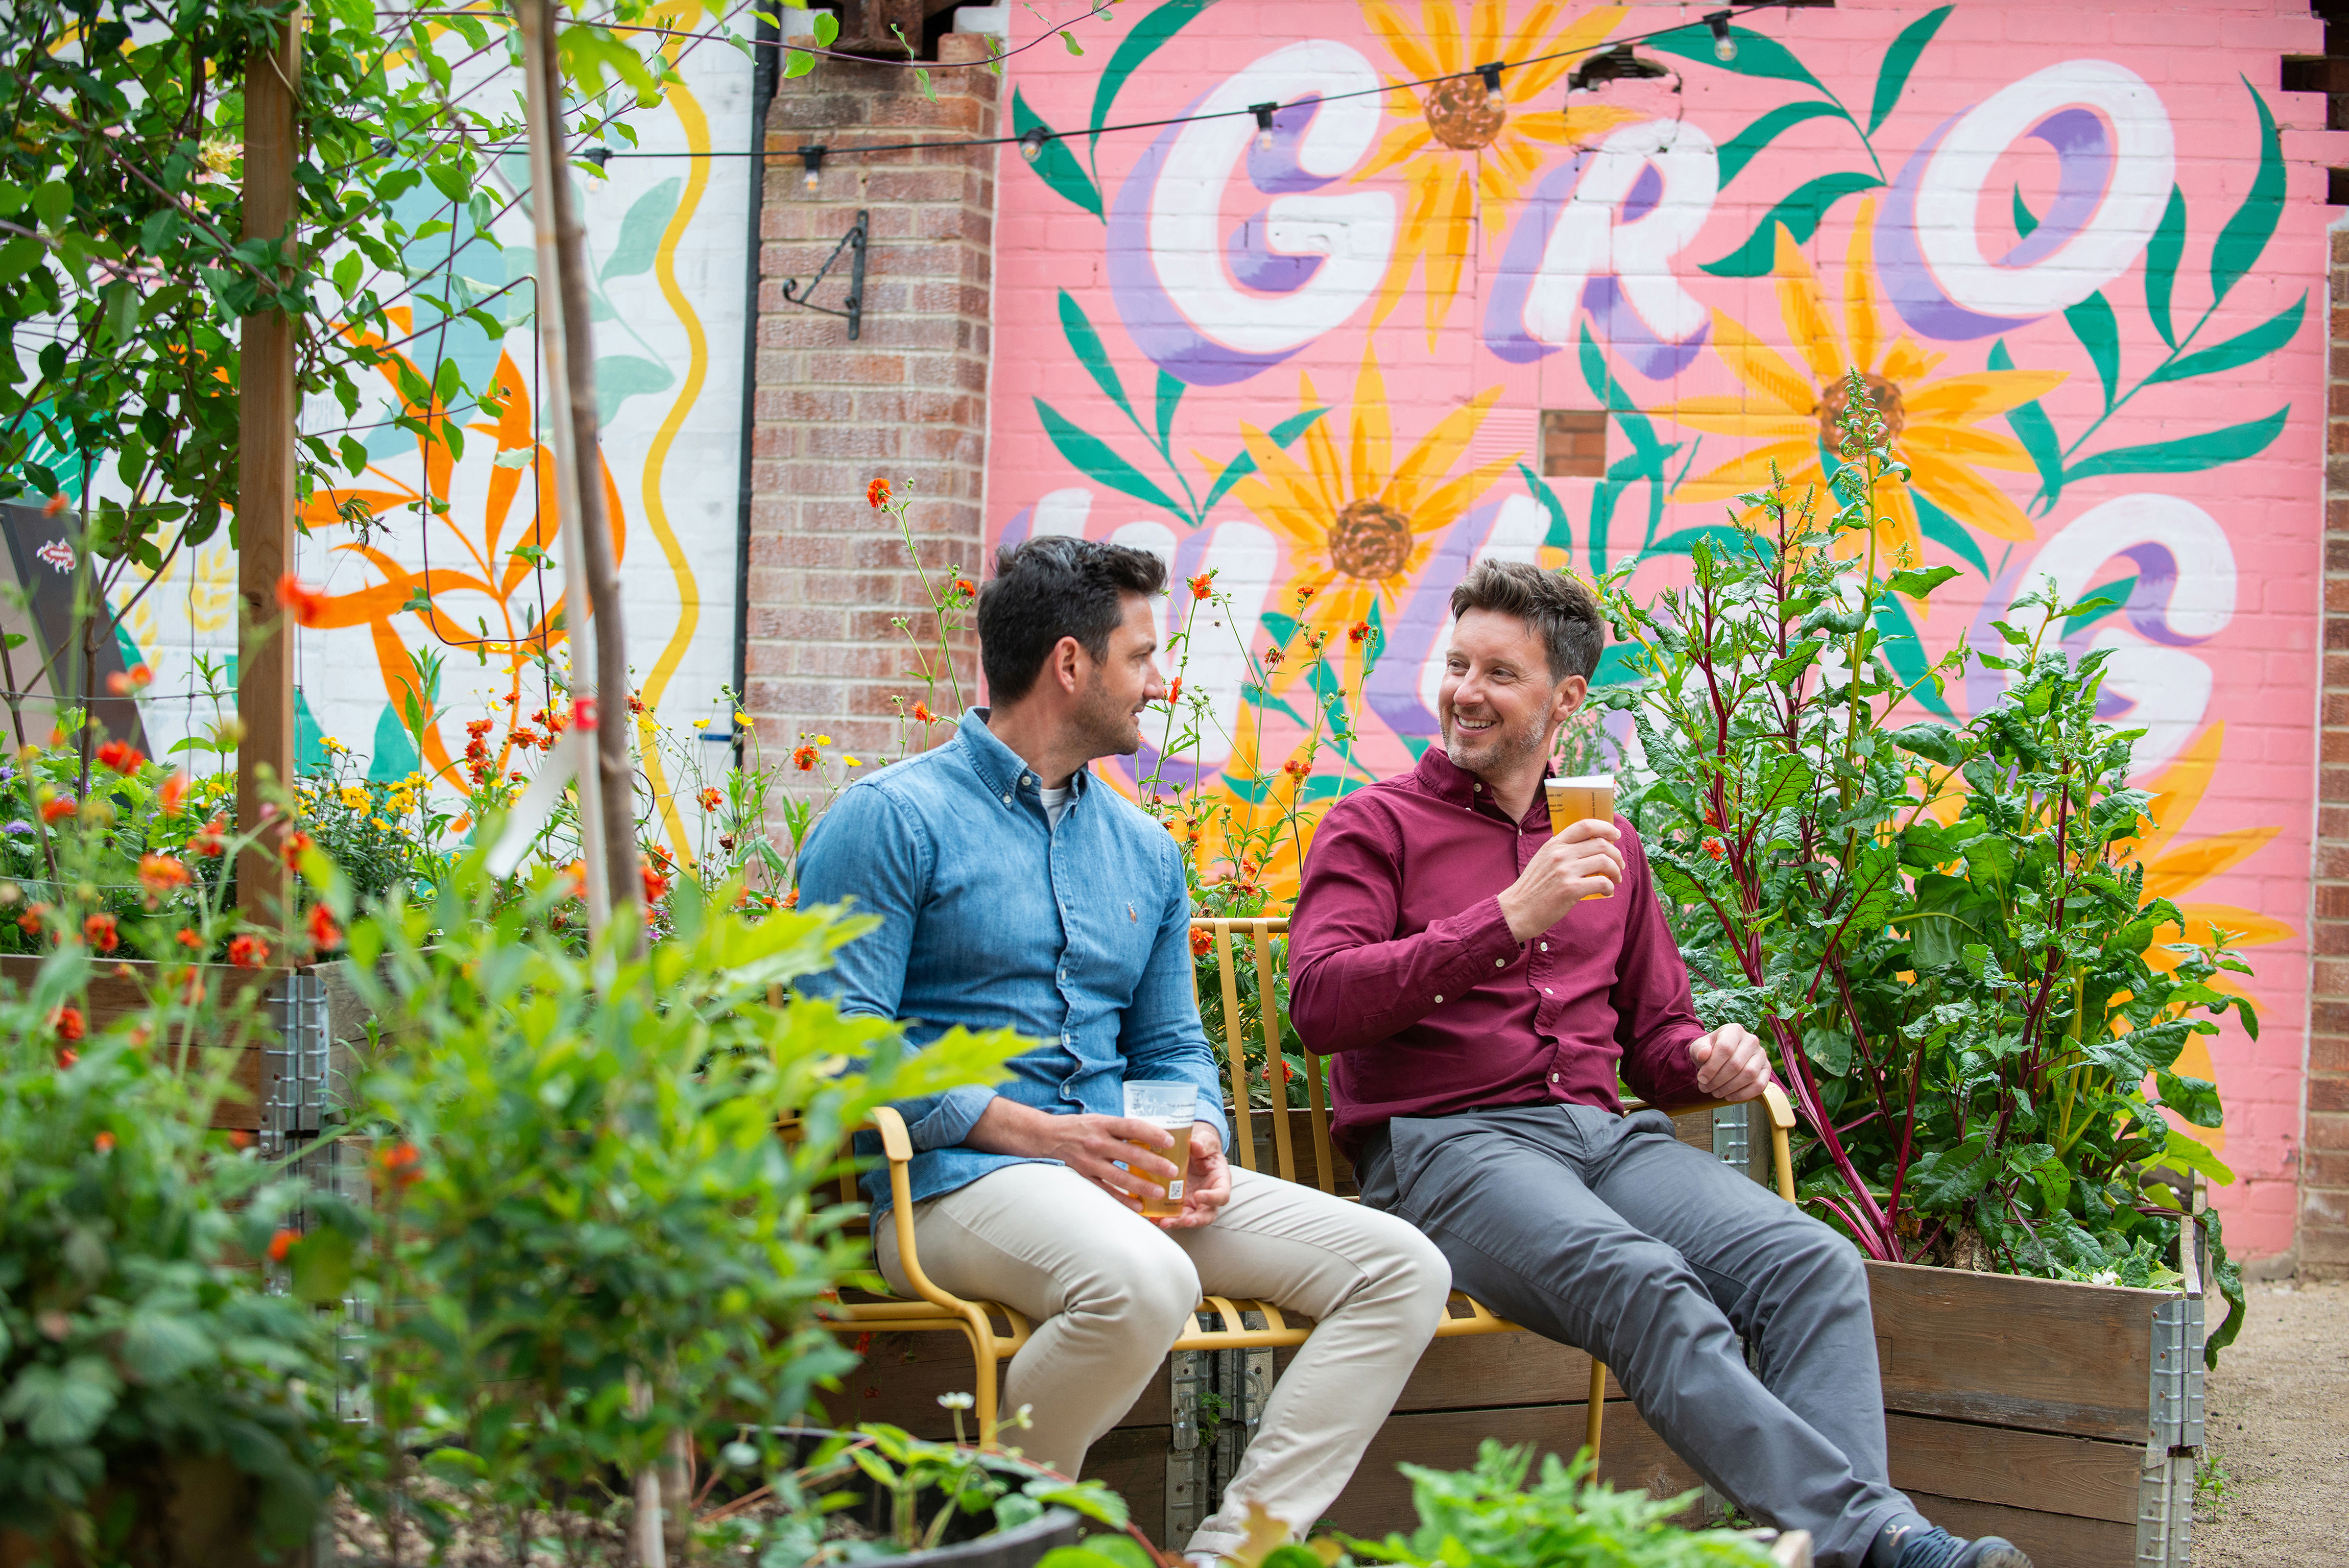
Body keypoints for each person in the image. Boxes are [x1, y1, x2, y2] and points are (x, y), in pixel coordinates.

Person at [1286, 560, 2030, 1568]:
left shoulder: (1606, 842)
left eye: (1499, 674)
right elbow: (1321, 1004)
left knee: (1808, 1264)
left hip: (1601, 1139)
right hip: (1449, 1151)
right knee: (1646, 1283)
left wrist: (1706, 1062)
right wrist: (1508, 917)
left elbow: (1654, 1039)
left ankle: (1852, 1549)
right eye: (1457, 663)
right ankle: (1882, 1544)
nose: (1465, 691)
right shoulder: (1375, 828)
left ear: (1565, 700)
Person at [797, 535, 1452, 1561]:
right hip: (949, 1183)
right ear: (1070, 664)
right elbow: (837, 1048)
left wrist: (1192, 1131)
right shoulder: (890, 821)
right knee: (1143, 1282)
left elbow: (1169, 1043)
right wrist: (1040, 1136)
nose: (1160, 681)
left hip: (1113, 1181)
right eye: (1141, 657)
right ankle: (998, 1538)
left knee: (1398, 1268)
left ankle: (1235, 1553)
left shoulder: (1143, 848)